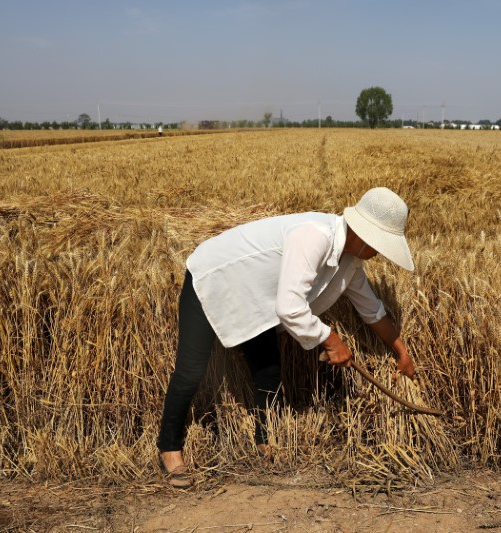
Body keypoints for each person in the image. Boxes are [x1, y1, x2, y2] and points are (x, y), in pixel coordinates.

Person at [157, 187, 416, 488]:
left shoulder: (350, 262)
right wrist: (331, 339)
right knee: (191, 370)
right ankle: (169, 447)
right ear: (364, 234)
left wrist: (401, 351)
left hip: (257, 296)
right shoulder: (314, 235)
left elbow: (372, 311)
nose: (380, 253)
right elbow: (290, 307)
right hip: (214, 277)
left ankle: (264, 441)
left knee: (268, 371)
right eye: (380, 244)